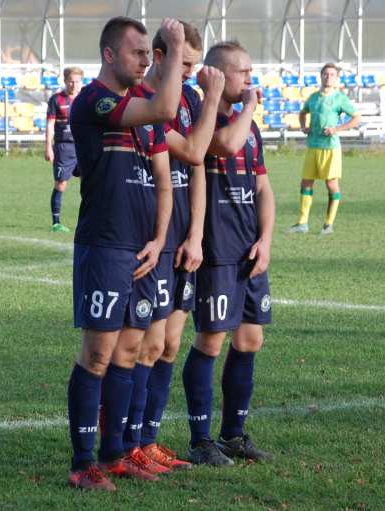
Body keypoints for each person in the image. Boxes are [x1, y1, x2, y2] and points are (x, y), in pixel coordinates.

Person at [66, 16, 184, 491]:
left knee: (130, 350)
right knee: (98, 353)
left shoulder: (137, 106)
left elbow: (162, 179)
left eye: (150, 52)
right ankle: (82, 464)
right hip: (105, 245)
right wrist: (174, 48)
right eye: (138, 52)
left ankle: (116, 456)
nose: (145, 59)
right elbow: (165, 109)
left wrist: (159, 239)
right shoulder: (96, 100)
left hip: (141, 250)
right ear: (110, 55)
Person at [121, 21, 225, 472]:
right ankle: (129, 443)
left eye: (195, 66)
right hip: (149, 234)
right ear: (159, 56)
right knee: (144, 344)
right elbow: (196, 152)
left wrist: (197, 232)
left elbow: (198, 171)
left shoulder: (189, 98)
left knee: (169, 343)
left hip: (182, 235)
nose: (190, 73)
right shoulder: (144, 99)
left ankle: (150, 440)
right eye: (184, 64)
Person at [183, 41, 276, 466]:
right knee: (211, 340)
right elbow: (222, 145)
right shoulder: (206, 120)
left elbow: (263, 189)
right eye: (244, 73)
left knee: (250, 338)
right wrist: (250, 107)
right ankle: (201, 440)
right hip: (217, 250)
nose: (250, 80)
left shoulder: (248, 126)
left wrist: (267, 239)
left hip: (249, 250)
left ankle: (233, 436)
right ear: (220, 75)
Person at [288, 62, 361, 235]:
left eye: (332, 75)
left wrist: (337, 129)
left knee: (331, 184)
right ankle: (302, 223)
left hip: (330, 148)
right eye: (325, 74)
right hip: (312, 146)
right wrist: (303, 126)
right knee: (306, 182)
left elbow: (356, 118)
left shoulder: (340, 98)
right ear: (320, 76)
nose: (328, 77)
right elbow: (302, 113)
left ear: (337, 79)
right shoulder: (313, 97)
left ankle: (328, 225)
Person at [45, 67, 83, 233]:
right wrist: (48, 147)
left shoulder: (84, 99)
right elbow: (50, 125)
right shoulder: (56, 100)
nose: (74, 85)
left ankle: (88, 220)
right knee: (61, 183)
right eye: (71, 81)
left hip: (83, 146)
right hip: (64, 147)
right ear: (65, 81)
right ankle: (56, 222)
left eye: (77, 81)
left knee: (88, 182)